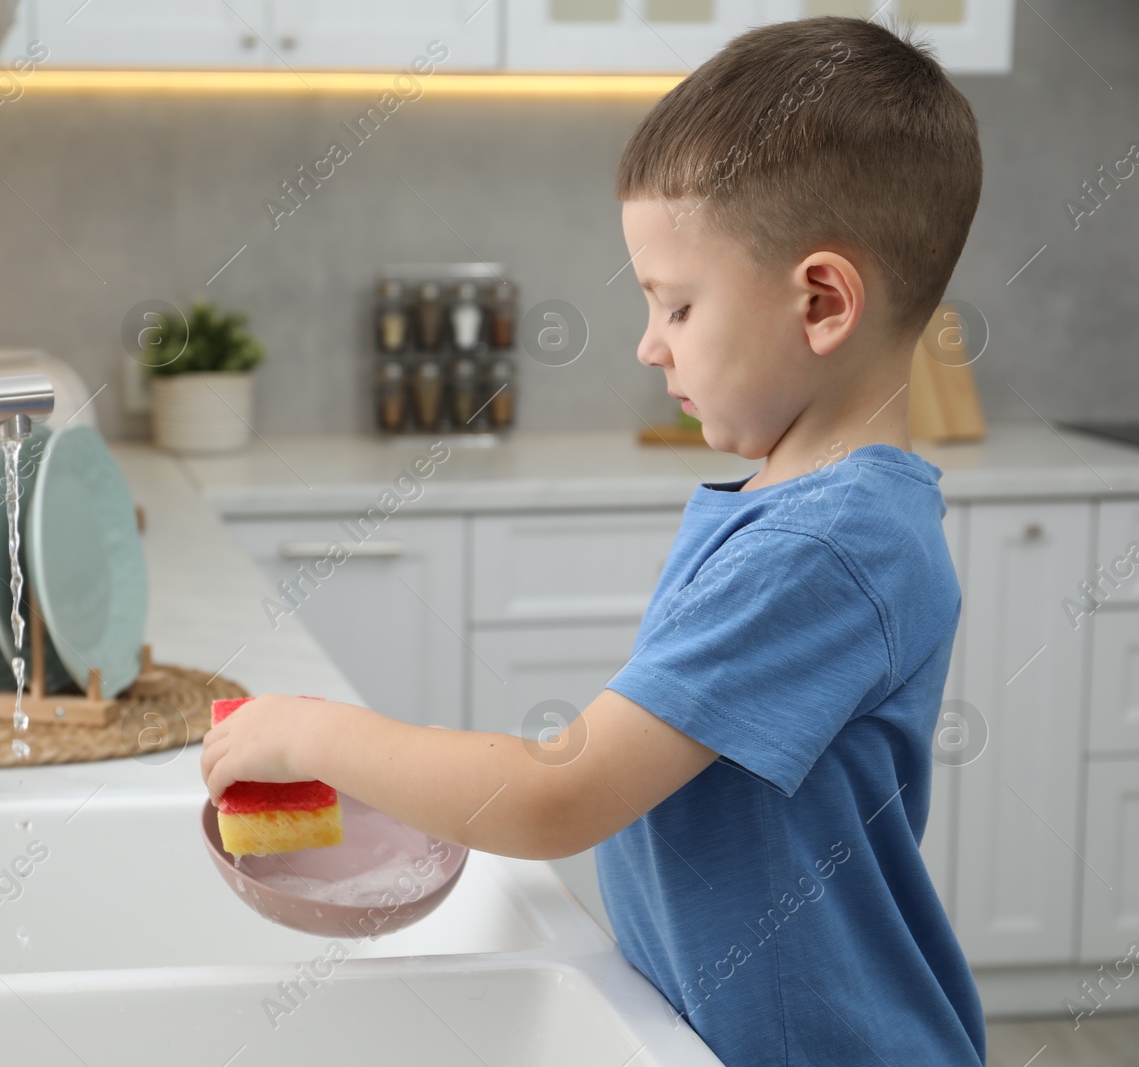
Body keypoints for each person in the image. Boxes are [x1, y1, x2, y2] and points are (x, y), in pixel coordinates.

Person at [201, 14, 984, 1065]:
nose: (648, 342)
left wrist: (311, 733)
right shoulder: (798, 508)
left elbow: (557, 792)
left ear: (821, 301)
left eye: (677, 304)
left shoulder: (828, 548)